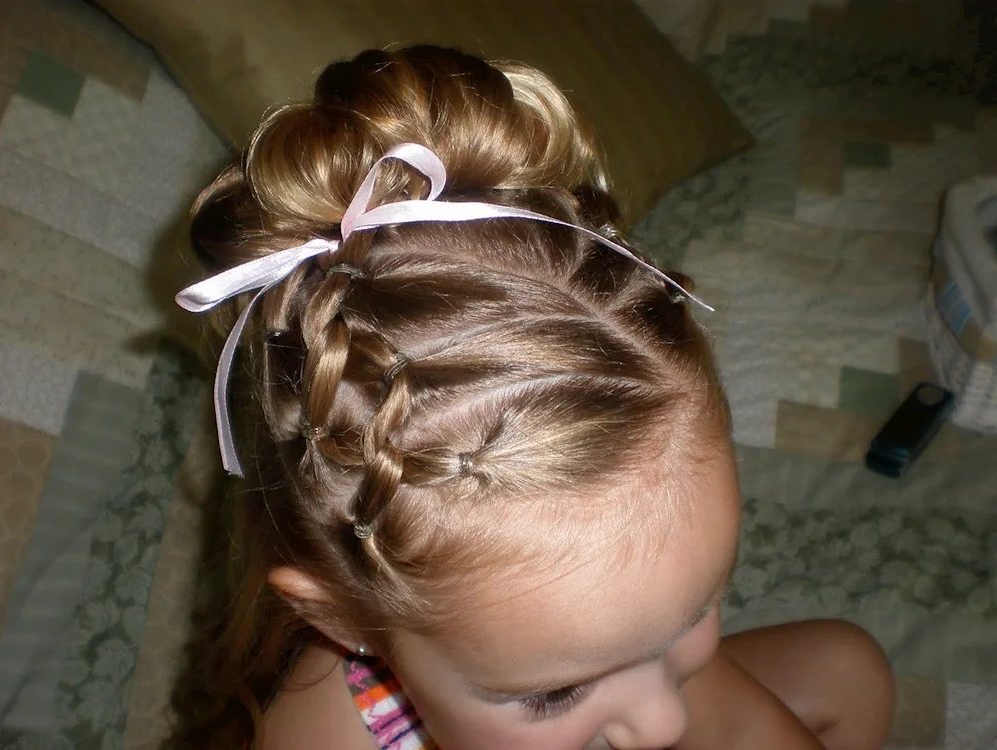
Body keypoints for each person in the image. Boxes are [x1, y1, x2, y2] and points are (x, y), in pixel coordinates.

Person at [172, 45, 895, 750]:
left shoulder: (614, 631)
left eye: (696, 610)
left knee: (849, 669)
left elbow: (737, 723)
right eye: (555, 695)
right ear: (346, 617)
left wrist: (636, 656)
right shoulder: (317, 739)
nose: (663, 724)